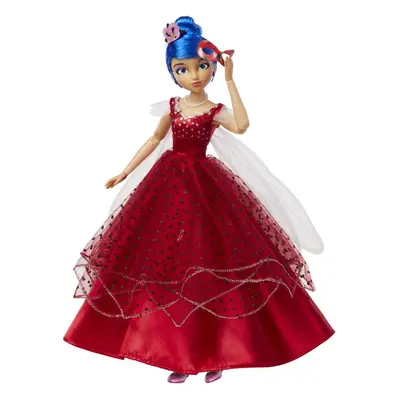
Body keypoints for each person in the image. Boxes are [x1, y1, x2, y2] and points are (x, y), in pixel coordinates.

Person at [63, 15, 335, 384]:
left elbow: (242, 126)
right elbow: (154, 140)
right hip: (166, 186)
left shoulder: (213, 111)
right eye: (183, 69)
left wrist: (231, 81)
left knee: (213, 265)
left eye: (201, 67)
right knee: (164, 267)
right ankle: (178, 354)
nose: (193, 75)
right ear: (173, 73)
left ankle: (217, 353)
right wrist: (125, 171)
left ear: (212, 67)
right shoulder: (173, 107)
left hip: (207, 189)